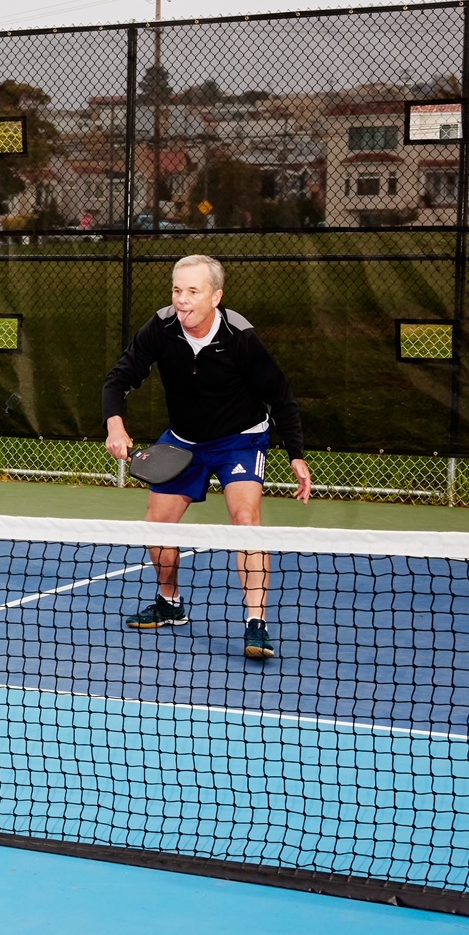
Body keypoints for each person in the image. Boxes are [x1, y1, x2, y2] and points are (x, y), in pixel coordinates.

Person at [102, 253, 312, 661]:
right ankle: (170, 602)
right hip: (183, 441)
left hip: (240, 439)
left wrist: (296, 455)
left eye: (192, 291)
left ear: (216, 296)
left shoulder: (240, 337)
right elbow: (119, 379)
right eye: (177, 290)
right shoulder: (161, 328)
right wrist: (115, 425)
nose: (181, 299)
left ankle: (257, 624)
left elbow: (280, 394)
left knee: (246, 522)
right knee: (155, 527)